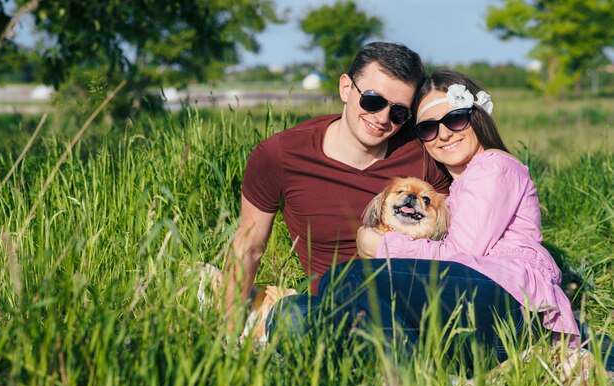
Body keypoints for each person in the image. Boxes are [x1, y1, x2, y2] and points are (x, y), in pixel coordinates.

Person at [268, 69, 581, 362]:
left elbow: (460, 254)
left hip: (509, 300)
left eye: (455, 120)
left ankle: (409, 379)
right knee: (293, 311)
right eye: (429, 128)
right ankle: (398, 359)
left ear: (477, 117)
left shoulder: (493, 167)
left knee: (346, 278)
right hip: (469, 311)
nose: (443, 134)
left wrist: (379, 245)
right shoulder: (458, 186)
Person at [223, 42, 451, 326]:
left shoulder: (424, 154)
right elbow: (249, 245)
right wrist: (226, 330)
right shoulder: (281, 155)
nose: (381, 119)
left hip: (416, 302)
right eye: (372, 100)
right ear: (346, 88)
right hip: (336, 309)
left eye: (398, 113)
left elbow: (455, 234)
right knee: (291, 317)